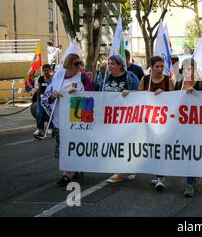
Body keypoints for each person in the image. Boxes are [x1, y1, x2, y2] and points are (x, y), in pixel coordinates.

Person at [43, 54, 94, 187]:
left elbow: (93, 95)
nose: (79, 66)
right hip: (61, 119)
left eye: (80, 63)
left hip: (78, 120)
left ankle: (66, 174)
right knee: (63, 146)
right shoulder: (57, 79)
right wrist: (53, 96)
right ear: (69, 64)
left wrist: (78, 93)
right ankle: (73, 168)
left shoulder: (82, 78)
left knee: (74, 145)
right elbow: (47, 99)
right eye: (76, 64)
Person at [138, 56, 174, 191]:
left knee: (160, 146)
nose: (160, 69)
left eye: (162, 66)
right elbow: (138, 97)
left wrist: (164, 94)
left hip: (163, 120)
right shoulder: (144, 79)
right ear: (151, 67)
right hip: (148, 119)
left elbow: (173, 99)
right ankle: (156, 173)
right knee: (151, 147)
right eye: (157, 66)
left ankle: (160, 176)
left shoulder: (168, 80)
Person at [174, 58, 202, 197]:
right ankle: (193, 174)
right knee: (185, 151)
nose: (188, 71)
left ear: (196, 69)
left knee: (192, 152)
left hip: (197, 124)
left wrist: (195, 92)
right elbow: (172, 100)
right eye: (186, 68)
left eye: (191, 68)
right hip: (181, 124)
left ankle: (189, 184)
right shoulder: (178, 83)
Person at [104, 55, 140, 183]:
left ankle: (130, 167)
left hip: (127, 116)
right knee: (114, 143)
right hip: (110, 116)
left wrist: (130, 92)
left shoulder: (130, 77)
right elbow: (98, 92)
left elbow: (139, 93)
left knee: (127, 142)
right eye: (109, 64)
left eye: (113, 64)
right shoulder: (105, 78)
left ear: (120, 65)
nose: (110, 66)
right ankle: (117, 171)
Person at [33, 64, 54, 140]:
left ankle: (50, 128)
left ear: (50, 70)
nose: (46, 72)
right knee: (39, 113)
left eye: (47, 70)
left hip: (49, 99)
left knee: (49, 113)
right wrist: (38, 98)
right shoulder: (41, 78)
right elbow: (38, 88)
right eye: (44, 70)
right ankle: (39, 129)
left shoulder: (52, 79)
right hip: (41, 99)